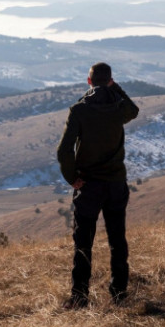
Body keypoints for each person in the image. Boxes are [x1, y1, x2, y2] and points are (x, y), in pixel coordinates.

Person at [56, 62, 140, 309]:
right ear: (110, 81)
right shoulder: (119, 108)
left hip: (88, 185)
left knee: (83, 241)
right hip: (115, 183)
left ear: (89, 81)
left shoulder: (79, 110)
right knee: (117, 239)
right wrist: (116, 89)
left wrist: (72, 178)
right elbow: (134, 109)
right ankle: (119, 293)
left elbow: (64, 150)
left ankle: (80, 296)